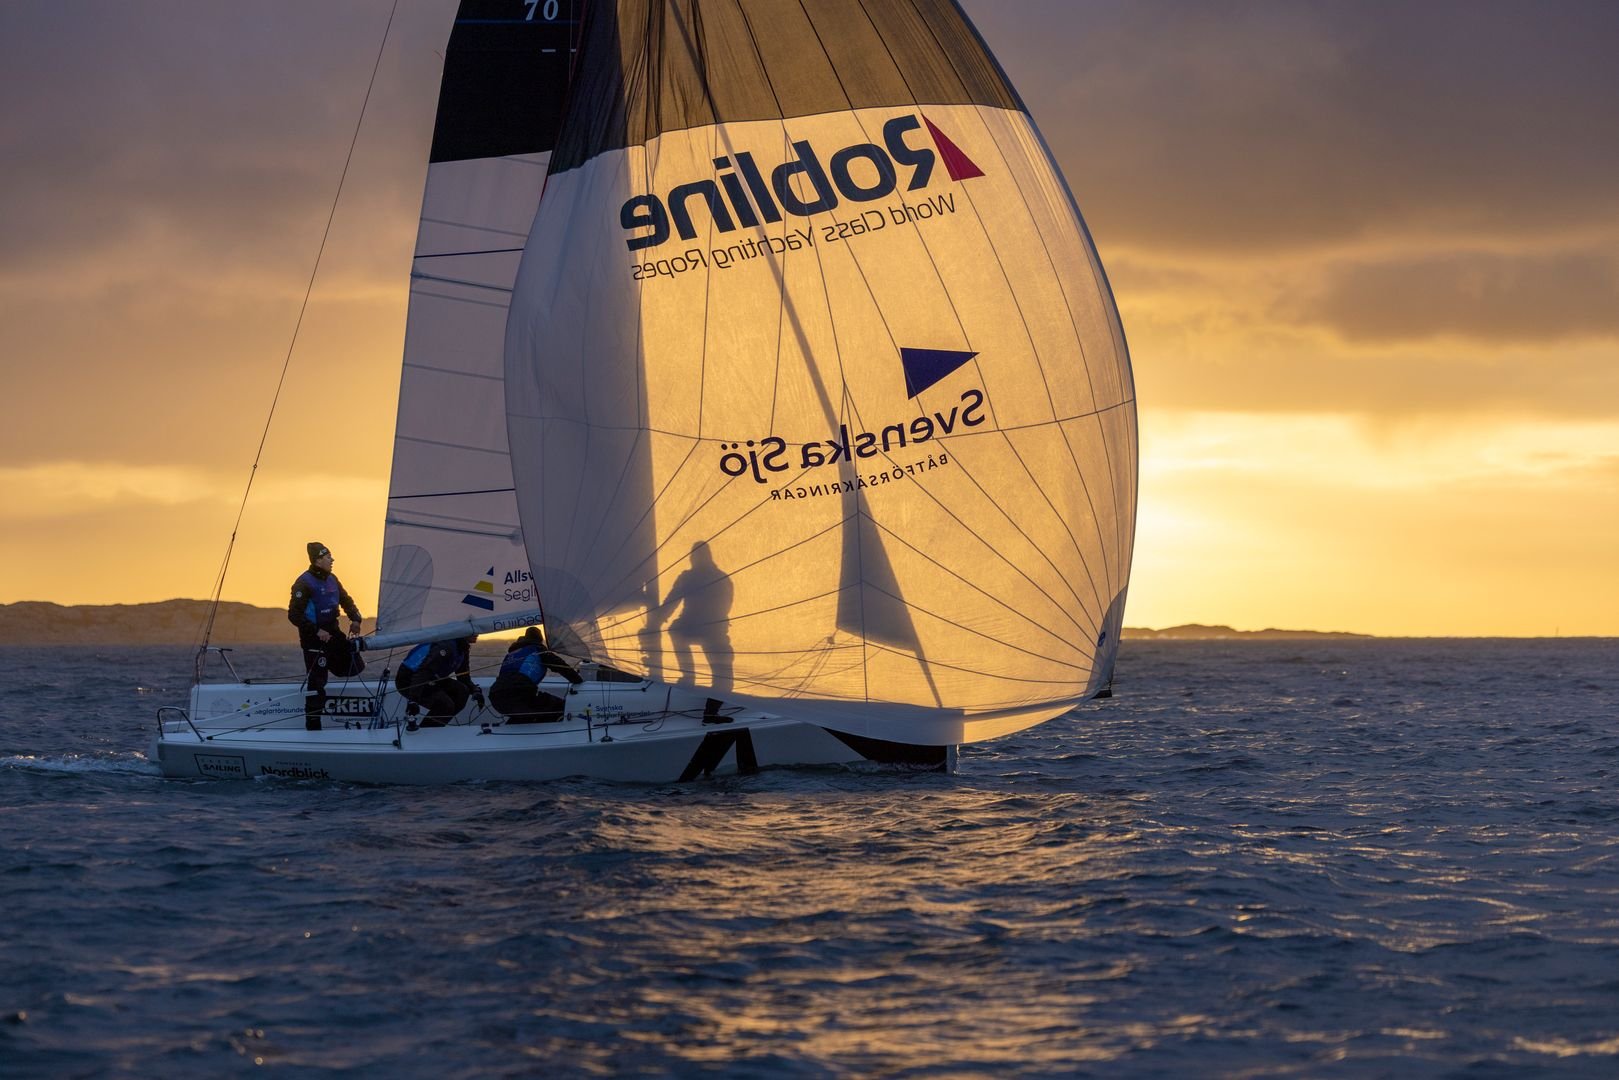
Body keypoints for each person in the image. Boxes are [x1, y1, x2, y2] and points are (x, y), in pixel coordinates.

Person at [287, 541, 363, 731]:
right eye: (328, 557)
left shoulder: (332, 578)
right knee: (317, 683)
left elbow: (346, 600)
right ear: (318, 560)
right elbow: (294, 615)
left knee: (355, 665)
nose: (332, 560)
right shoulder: (303, 583)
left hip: (333, 631)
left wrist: (356, 619)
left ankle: (328, 665)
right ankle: (313, 726)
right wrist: (316, 631)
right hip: (314, 638)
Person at [490, 626, 583, 723]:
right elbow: (560, 665)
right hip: (520, 695)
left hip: (496, 698)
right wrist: (578, 681)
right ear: (540, 640)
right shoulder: (538, 649)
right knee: (559, 707)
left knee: (526, 713)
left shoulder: (512, 653)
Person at [395, 635, 484, 728]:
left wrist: (474, 690)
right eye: (473, 631)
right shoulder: (446, 647)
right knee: (445, 705)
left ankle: (436, 726)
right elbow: (424, 672)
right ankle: (427, 731)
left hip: (432, 678)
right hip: (409, 680)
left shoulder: (462, 647)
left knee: (462, 691)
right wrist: (413, 700)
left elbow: (463, 677)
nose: (477, 634)